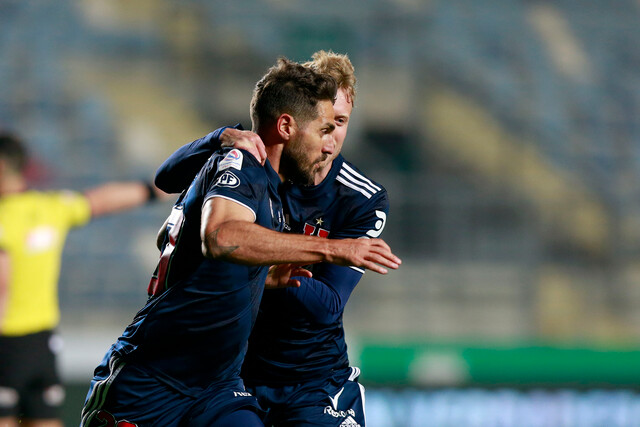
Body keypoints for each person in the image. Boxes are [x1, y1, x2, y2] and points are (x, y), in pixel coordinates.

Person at [80, 57, 400, 427]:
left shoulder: (291, 185)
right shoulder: (243, 165)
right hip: (155, 377)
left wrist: (265, 273)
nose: (330, 144)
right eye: (324, 128)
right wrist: (334, 248)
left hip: (227, 385)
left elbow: (179, 234)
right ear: (287, 126)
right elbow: (220, 237)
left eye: (339, 125)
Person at [0, 132, 168, 427]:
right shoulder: (50, 208)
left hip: (5, 345)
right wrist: (151, 190)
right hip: (41, 345)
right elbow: (99, 201)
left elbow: (2, 286)